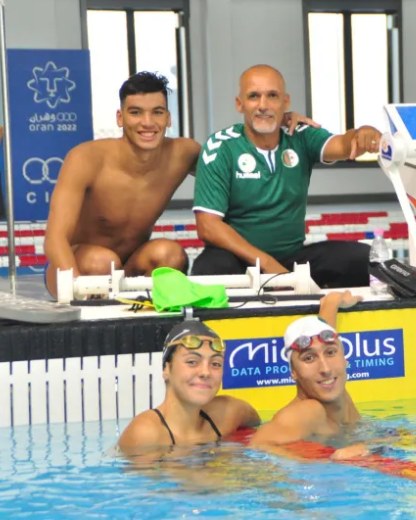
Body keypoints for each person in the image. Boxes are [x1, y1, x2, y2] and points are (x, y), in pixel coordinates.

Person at [44, 72, 315, 298]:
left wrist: (277, 119)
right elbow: (55, 239)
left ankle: (149, 320)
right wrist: (75, 286)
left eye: (157, 112)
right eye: (136, 113)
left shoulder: (183, 153)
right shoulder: (85, 158)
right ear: (120, 117)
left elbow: (234, 166)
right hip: (75, 267)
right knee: (103, 261)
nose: (147, 122)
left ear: (168, 118)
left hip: (130, 266)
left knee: (170, 254)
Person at [191, 64, 382, 288]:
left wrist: (362, 132)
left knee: (362, 259)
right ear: (239, 104)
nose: (263, 105)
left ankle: (330, 317)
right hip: (238, 261)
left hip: (292, 259)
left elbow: (342, 143)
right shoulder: (220, 147)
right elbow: (208, 227)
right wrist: (269, 265)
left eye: (272, 96)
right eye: (254, 96)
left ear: (286, 102)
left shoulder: (300, 135)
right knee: (209, 271)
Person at [117, 319, 260, 453]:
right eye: (192, 361)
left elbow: (257, 423)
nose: (205, 372)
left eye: (215, 364)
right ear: (166, 369)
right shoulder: (147, 433)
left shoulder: (229, 412)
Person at [248, 290, 363, 448]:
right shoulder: (308, 412)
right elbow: (257, 448)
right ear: (293, 372)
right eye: (309, 358)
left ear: (344, 359)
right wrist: (332, 460)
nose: (325, 368)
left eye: (330, 352)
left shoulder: (335, 386)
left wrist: (335, 300)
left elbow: (325, 321)